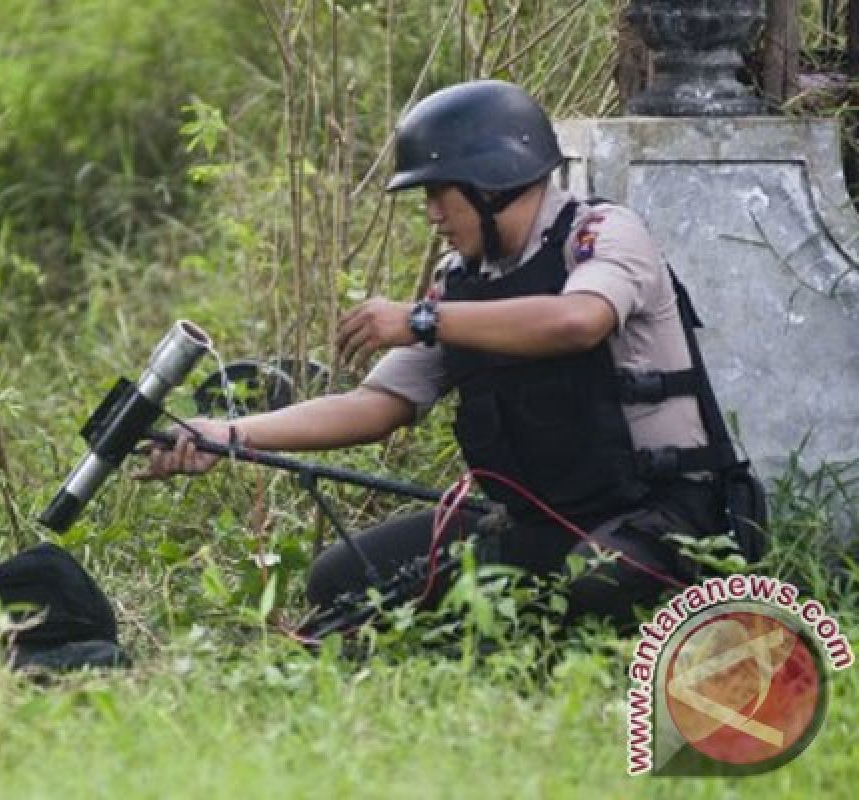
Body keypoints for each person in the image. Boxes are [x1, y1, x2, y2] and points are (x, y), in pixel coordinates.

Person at [137, 79, 762, 630]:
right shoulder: (461, 279)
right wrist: (226, 434)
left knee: (591, 584)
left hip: (664, 515)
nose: (432, 215)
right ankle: (506, 610)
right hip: (539, 520)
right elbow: (375, 405)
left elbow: (578, 321)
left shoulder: (600, 234)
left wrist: (420, 319)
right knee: (340, 579)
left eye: (440, 194)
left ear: (494, 182)